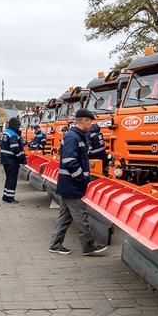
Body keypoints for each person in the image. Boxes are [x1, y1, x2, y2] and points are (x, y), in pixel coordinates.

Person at [49, 109, 108, 256]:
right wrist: (81, 178)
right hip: (72, 184)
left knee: (65, 216)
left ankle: (55, 245)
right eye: (90, 121)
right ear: (84, 121)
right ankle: (88, 246)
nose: (91, 124)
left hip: (68, 183)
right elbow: (70, 161)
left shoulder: (78, 136)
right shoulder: (73, 137)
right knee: (81, 216)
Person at [0, 117, 25, 203]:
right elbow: (14, 147)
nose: (19, 127)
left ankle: (5, 195)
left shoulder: (5, 132)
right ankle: (10, 198)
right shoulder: (13, 134)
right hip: (12, 160)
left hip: (5, 159)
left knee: (8, 178)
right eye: (18, 125)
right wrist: (20, 157)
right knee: (12, 179)